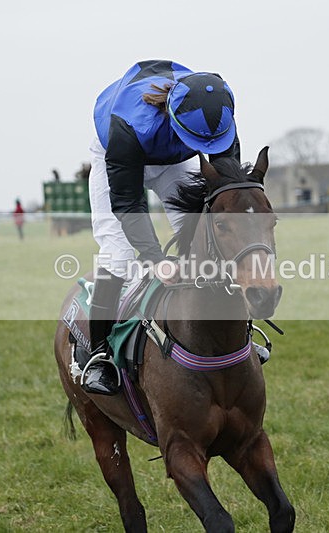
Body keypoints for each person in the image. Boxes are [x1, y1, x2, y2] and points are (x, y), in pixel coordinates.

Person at [81, 60, 240, 395]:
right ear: (172, 118)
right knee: (119, 255)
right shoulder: (127, 127)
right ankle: (100, 355)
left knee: (203, 237)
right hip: (119, 153)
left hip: (172, 155)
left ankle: (232, 340)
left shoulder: (218, 113)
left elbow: (226, 180)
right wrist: (155, 258)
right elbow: (128, 204)